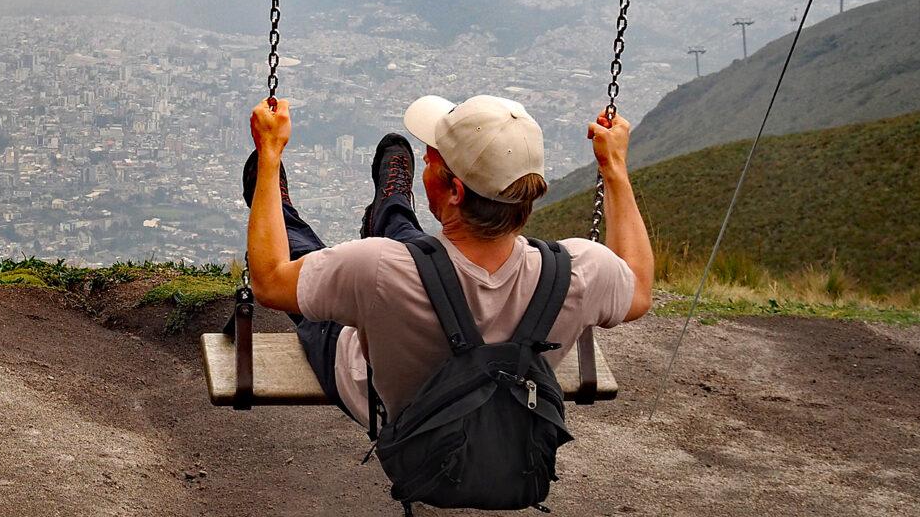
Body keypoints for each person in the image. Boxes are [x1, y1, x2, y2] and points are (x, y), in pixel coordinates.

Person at [241, 94, 654, 432]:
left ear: (455, 191)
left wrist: (270, 157)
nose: (425, 161)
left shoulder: (379, 268)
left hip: (395, 415)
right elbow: (638, 289)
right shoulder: (580, 270)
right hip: (508, 429)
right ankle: (392, 204)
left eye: (431, 158)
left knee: (305, 257)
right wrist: (614, 167)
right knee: (412, 245)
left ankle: (300, 208)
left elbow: (270, 281)